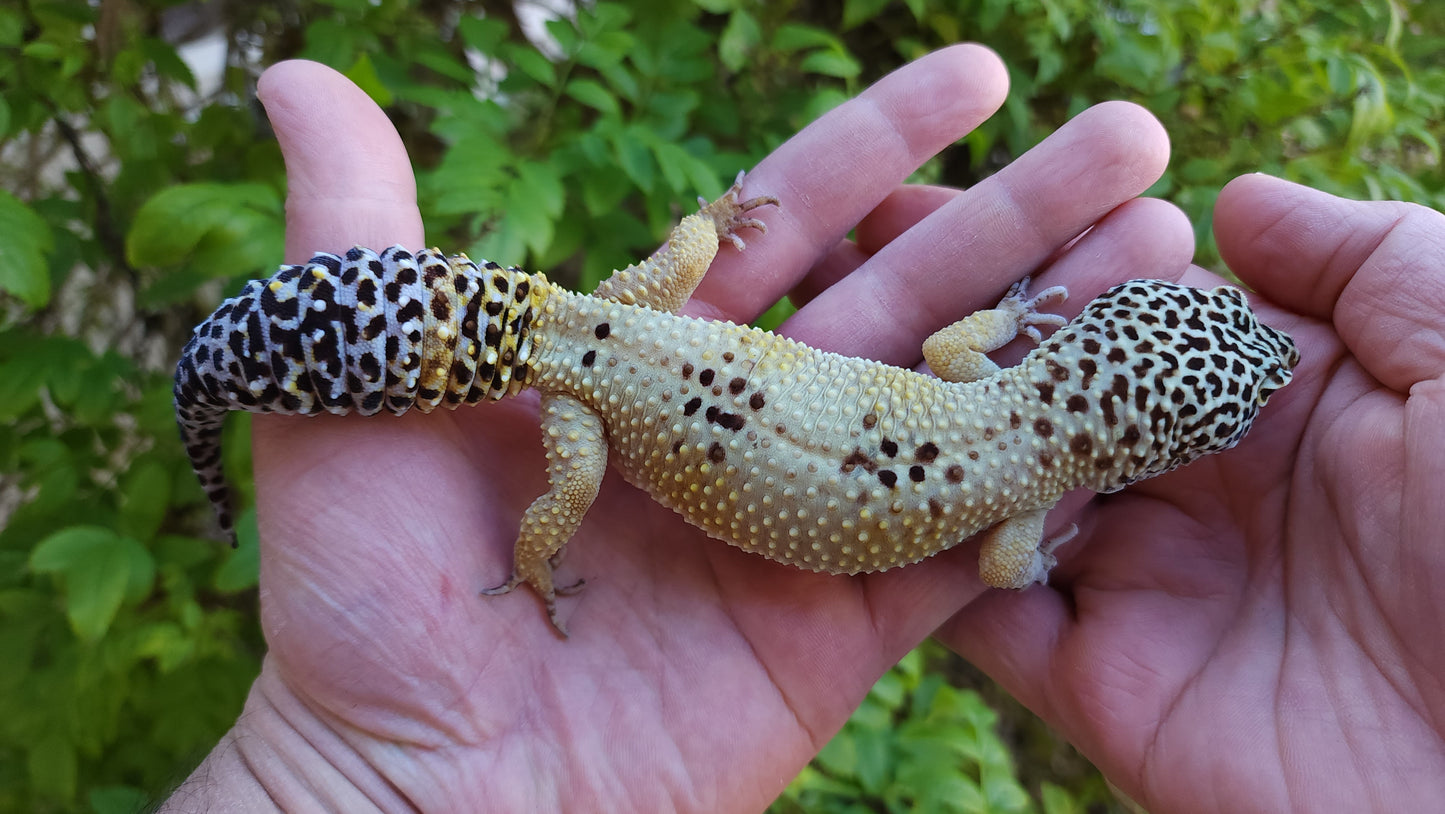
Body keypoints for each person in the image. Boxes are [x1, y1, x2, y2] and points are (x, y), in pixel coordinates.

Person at [159, 44, 1445, 812]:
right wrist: (1048, 552)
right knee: (559, 489)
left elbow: (956, 341)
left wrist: (732, 233)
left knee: (676, 273)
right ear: (1140, 447)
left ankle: (670, 262)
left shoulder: (974, 367)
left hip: (617, 332)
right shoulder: (1013, 510)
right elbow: (1005, 569)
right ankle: (533, 562)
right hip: (589, 385)